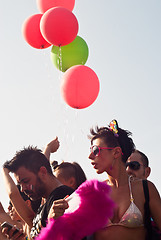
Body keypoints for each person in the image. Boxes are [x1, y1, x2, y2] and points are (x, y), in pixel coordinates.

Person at [87, 119, 161, 240]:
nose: (90, 156)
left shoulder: (145, 189)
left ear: (116, 152)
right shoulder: (93, 192)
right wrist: (55, 215)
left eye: (95, 150)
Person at [3, 146, 74, 239]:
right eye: (20, 184)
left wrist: (52, 223)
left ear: (43, 172)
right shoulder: (44, 205)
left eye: (26, 181)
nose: (22, 189)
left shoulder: (63, 197)